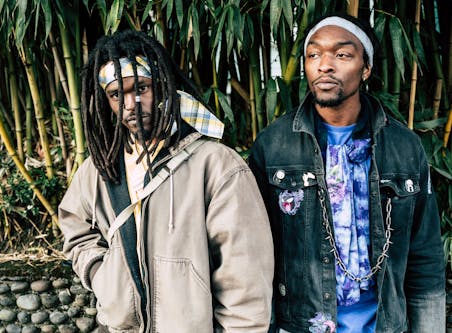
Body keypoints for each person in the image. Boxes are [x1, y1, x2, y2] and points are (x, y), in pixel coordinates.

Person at [58, 29, 274, 332]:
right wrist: (102, 276)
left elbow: (245, 277)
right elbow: (75, 227)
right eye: (117, 94)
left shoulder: (215, 165)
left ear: (162, 86)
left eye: (141, 88)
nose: (131, 103)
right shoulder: (100, 167)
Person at [249, 13, 445, 333]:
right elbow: (253, 257)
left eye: (341, 55)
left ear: (365, 68)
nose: (324, 65)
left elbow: (425, 258)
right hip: (300, 326)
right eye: (313, 55)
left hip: (384, 325)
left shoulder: (404, 147)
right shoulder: (273, 146)